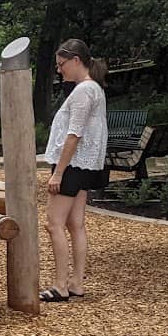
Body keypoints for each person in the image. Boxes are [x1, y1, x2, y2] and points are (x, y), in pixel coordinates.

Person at [41, 39, 109, 302]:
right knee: (75, 223)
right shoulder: (94, 89)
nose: (60, 70)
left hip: (72, 165)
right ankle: (76, 282)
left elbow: (74, 134)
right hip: (83, 165)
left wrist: (58, 172)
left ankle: (60, 284)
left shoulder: (83, 91)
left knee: (54, 223)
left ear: (76, 61)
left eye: (61, 65)